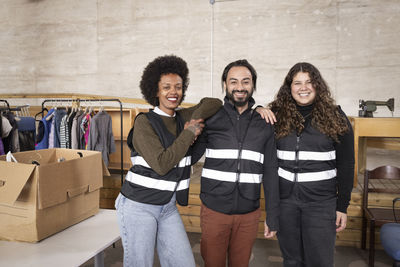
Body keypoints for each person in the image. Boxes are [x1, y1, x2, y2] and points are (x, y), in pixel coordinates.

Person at [115, 55, 222, 267]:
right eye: (166, 87)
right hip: (139, 205)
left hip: (167, 206)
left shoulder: (182, 117)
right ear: (155, 91)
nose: (173, 92)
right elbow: (163, 164)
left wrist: (193, 119)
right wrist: (190, 132)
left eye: (178, 87)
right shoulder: (144, 123)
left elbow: (213, 103)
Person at [265, 62, 355, 267]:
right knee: (292, 260)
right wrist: (259, 109)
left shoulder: (336, 117)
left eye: (309, 82)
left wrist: (342, 206)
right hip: (286, 202)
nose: (303, 88)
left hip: (321, 204)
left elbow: (347, 164)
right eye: (297, 83)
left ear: (317, 85)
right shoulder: (276, 116)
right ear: (289, 88)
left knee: (320, 261)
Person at [192, 59, 280, 267]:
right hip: (214, 210)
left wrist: (273, 216)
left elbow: (270, 171)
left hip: (249, 213)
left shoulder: (265, 122)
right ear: (225, 84)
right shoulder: (211, 117)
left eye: (245, 81)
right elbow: (191, 156)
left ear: (253, 85)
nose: (240, 87)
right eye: (233, 81)